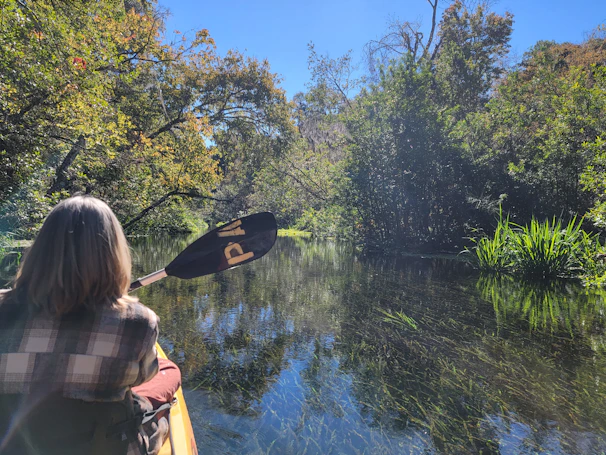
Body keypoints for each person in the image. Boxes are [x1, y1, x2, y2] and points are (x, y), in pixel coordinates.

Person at [0, 196, 181, 455]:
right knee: (168, 371)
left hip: (16, 445)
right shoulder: (139, 323)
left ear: (40, 251)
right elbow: (143, 377)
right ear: (114, 254)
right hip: (103, 445)